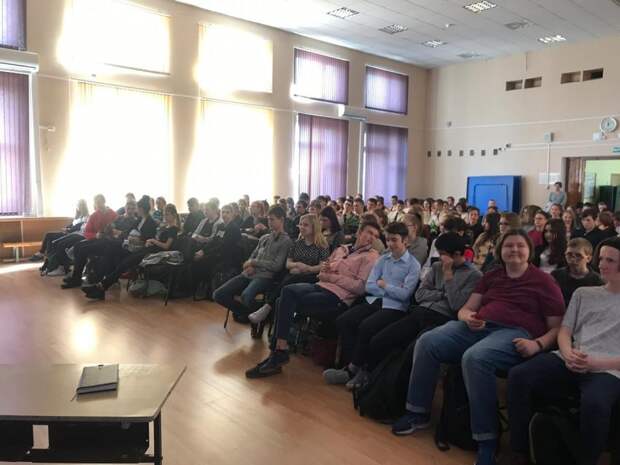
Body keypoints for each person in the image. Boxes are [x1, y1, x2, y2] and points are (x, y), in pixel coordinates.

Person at [392, 229, 565, 465]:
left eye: (520, 245)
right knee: (427, 341)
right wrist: (468, 317)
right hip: (479, 327)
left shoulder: (544, 282)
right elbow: (465, 309)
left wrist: (538, 344)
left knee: (475, 358)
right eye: (509, 245)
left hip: (515, 333)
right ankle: (417, 412)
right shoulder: (492, 276)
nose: (514, 249)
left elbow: (557, 328)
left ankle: (487, 441)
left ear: (530, 251)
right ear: (500, 251)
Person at [506, 236, 620, 465]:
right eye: (601, 258)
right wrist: (567, 353)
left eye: (610, 260)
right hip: (570, 357)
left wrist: (594, 363)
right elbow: (565, 331)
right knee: (518, 375)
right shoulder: (584, 294)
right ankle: (520, 450)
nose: (602, 264)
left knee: (596, 404)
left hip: (608, 368)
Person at [244, 221, 381, 378]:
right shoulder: (342, 249)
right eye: (369, 232)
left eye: (375, 236)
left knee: (282, 301)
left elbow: (360, 287)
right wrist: (328, 275)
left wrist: (332, 277)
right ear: (359, 232)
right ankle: (279, 351)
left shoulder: (371, 257)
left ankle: (278, 353)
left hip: (338, 298)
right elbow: (321, 272)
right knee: (286, 291)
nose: (372, 238)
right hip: (320, 286)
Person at [359, 232, 482, 375]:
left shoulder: (474, 275)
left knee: (411, 353)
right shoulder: (436, 267)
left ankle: (394, 386)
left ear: (456, 254)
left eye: (442, 254)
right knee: (380, 340)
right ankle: (370, 378)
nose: (439, 257)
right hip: (419, 312)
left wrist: (448, 276)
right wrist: (442, 294)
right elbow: (419, 295)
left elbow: (456, 305)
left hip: (441, 319)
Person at [322, 222, 421, 389]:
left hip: (395, 308)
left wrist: (384, 285)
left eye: (394, 240)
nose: (390, 244)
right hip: (375, 301)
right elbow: (369, 286)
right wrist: (390, 288)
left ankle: (358, 370)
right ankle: (351, 366)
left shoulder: (413, 265)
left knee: (367, 327)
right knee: (344, 320)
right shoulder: (383, 259)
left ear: (405, 240)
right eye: (388, 240)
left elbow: (405, 295)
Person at [82, 203, 180, 300]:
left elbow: (166, 246)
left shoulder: (173, 229)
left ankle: (101, 286)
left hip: (154, 253)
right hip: (148, 249)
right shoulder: (165, 227)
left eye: (167, 214)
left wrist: (153, 240)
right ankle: (101, 285)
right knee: (116, 255)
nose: (165, 216)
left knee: (125, 263)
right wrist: (149, 241)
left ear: (174, 215)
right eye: (164, 214)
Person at [248, 214, 330, 324]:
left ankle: (267, 307)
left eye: (306, 225)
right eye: (300, 224)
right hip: (294, 274)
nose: (302, 227)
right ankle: (272, 316)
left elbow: (322, 266)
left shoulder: (322, 245)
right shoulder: (297, 243)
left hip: (311, 277)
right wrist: (297, 265)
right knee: (284, 280)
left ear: (314, 227)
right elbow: (288, 263)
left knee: (291, 279)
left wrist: (307, 268)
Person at [213, 206, 292, 321]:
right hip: (249, 273)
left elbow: (276, 265)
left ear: (282, 220)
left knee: (246, 296)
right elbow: (253, 255)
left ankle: (251, 315)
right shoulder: (264, 237)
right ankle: (249, 314)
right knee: (218, 294)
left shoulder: (286, 241)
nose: (269, 222)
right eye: (268, 219)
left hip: (265, 276)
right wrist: (249, 265)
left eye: (272, 219)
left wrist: (254, 263)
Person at [61, 199, 143, 289]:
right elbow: (109, 228)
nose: (130, 211)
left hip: (114, 244)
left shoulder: (135, 221)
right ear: (125, 208)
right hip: (106, 238)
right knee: (78, 246)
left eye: (132, 209)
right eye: (128, 208)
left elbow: (128, 235)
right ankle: (76, 276)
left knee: (83, 249)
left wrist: (118, 232)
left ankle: (76, 279)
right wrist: (109, 229)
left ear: (135, 209)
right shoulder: (119, 218)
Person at [192, 203, 243, 296]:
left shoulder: (234, 228)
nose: (225, 215)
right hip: (219, 252)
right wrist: (202, 250)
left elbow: (224, 246)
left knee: (204, 260)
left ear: (232, 214)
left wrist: (205, 253)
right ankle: (199, 287)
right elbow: (214, 241)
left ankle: (208, 290)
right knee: (196, 258)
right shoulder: (221, 226)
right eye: (223, 212)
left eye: (227, 212)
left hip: (229, 256)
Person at [551, 238, 604, 306]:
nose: (573, 259)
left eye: (578, 255)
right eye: (569, 255)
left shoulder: (597, 281)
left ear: (588, 258)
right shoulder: (555, 276)